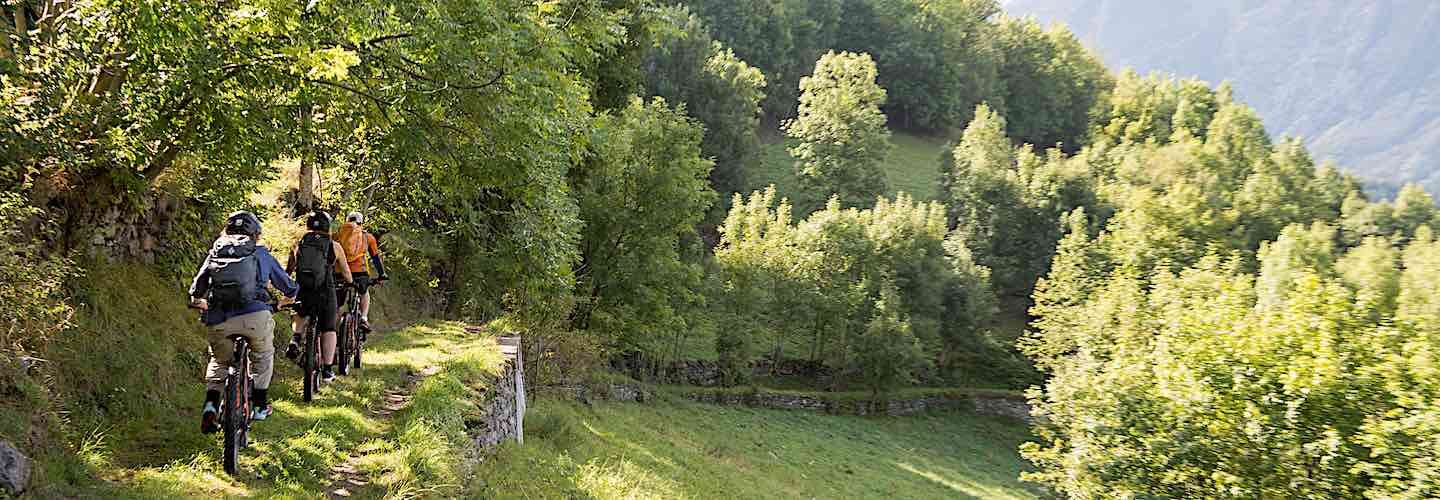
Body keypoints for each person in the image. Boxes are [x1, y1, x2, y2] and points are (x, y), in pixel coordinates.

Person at [188, 211, 298, 432]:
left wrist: (198, 302)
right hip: (255, 317)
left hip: (220, 319)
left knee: (219, 362)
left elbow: (196, 290)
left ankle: (210, 407)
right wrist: (286, 300)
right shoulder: (261, 254)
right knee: (263, 356)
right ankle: (259, 405)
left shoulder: (216, 252)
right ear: (255, 234)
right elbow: (289, 287)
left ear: (227, 231)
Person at [285, 210, 353, 382]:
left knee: (300, 312)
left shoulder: (298, 244)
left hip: (303, 289)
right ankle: (328, 370)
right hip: (325, 291)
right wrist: (350, 282)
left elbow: (289, 270)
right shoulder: (334, 246)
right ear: (327, 227)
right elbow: (346, 272)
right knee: (329, 329)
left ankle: (295, 339)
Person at [333, 211, 387, 330]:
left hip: (339, 272)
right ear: (361, 222)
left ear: (346, 221)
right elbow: (375, 257)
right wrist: (382, 274)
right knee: (364, 292)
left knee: (336, 303)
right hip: (359, 272)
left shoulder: (337, 235)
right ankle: (363, 318)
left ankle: (331, 328)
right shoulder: (367, 237)